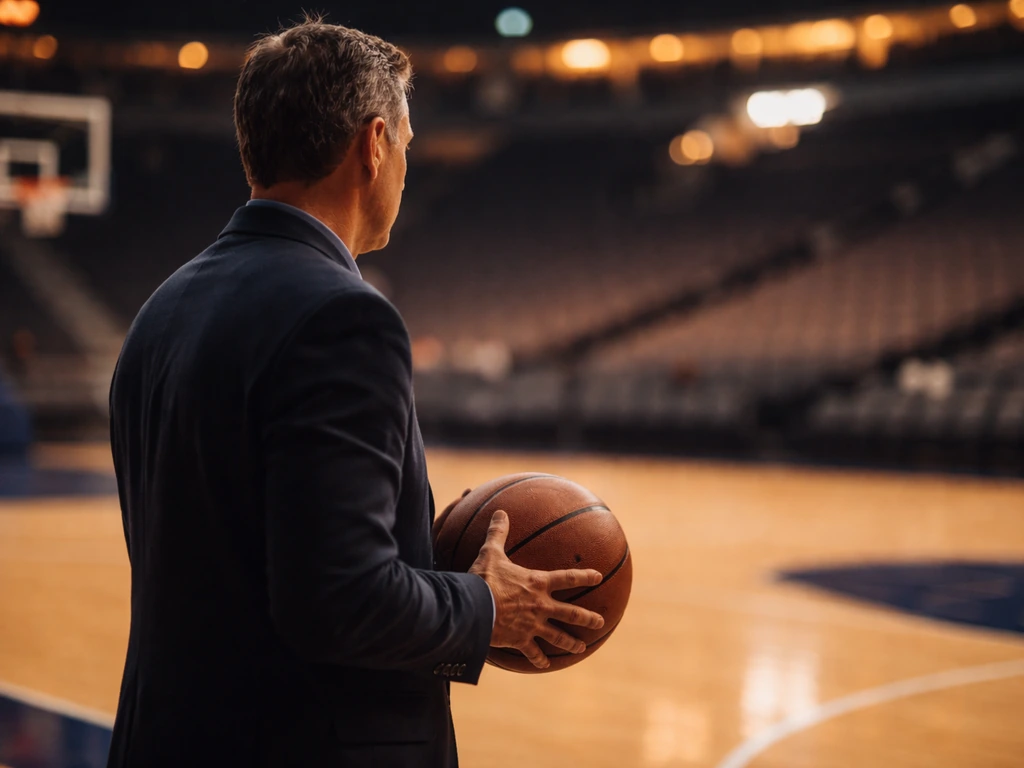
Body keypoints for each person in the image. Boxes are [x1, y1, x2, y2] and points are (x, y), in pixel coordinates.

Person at [106, 16, 605, 768]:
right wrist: (486, 605)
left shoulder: (162, 309)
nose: (406, 163)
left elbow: (248, 552)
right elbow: (337, 602)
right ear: (373, 145)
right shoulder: (343, 316)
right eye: (406, 142)